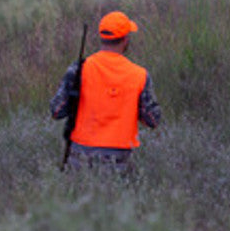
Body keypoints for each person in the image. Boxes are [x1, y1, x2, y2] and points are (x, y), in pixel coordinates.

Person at [50, 10, 162, 173]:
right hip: (119, 162)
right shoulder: (140, 75)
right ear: (125, 39)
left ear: (102, 38)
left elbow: (57, 110)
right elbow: (153, 120)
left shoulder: (79, 69)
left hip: (80, 158)